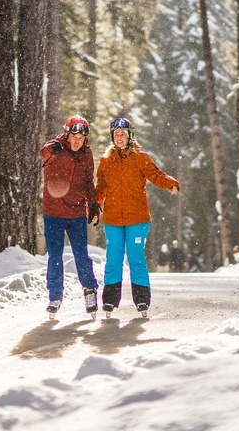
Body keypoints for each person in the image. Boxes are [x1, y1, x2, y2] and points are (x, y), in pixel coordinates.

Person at [94, 117, 180, 318]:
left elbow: (155, 174)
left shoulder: (141, 158)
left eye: (123, 134)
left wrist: (171, 184)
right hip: (113, 219)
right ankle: (109, 301)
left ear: (130, 136)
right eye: (116, 134)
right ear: (112, 137)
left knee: (136, 258)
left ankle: (141, 300)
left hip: (138, 219)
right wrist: (95, 206)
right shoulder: (106, 161)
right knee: (113, 259)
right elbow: (101, 187)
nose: (120, 137)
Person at [40, 116, 100, 318]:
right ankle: (55, 296)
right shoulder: (55, 147)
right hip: (53, 213)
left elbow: (89, 181)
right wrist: (52, 150)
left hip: (76, 213)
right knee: (55, 257)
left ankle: (90, 291)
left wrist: (93, 204)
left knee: (81, 255)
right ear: (67, 134)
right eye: (74, 136)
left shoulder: (87, 154)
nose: (77, 141)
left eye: (81, 138)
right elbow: (43, 153)